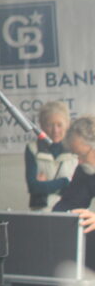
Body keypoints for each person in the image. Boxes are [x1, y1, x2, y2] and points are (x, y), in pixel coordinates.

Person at [54, 115, 95, 268]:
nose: (79, 161)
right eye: (76, 155)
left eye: (82, 155)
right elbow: (68, 203)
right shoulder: (85, 169)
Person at [24, 101, 77, 211]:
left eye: (59, 125)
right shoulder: (32, 149)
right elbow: (33, 187)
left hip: (71, 210)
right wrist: (66, 181)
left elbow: (78, 188)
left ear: (67, 124)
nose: (55, 130)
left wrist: (45, 186)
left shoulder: (75, 148)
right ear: (42, 125)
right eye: (49, 125)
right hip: (42, 212)